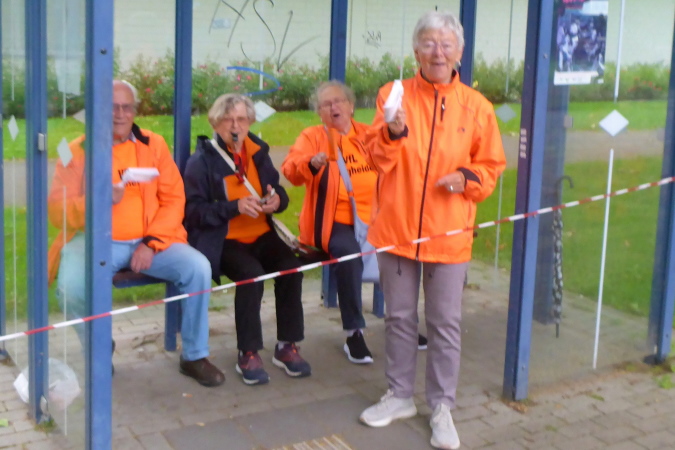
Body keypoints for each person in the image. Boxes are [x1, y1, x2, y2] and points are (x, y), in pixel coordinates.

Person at [358, 11, 506, 450]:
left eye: (446, 44)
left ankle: (441, 407)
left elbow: (491, 166)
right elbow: (375, 158)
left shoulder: (477, 107)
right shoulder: (394, 95)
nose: (437, 52)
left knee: (444, 323)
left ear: (459, 52)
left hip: (449, 234)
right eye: (429, 43)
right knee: (399, 318)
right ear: (416, 50)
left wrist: (467, 178)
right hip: (397, 230)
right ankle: (400, 395)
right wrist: (393, 132)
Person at [47, 80, 225, 387]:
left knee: (198, 268)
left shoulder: (153, 144)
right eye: (112, 107)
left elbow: (174, 199)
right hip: (94, 241)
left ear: (135, 111)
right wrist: (97, 201)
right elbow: (55, 211)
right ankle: (99, 347)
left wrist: (152, 244)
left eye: (126, 107)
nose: (119, 113)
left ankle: (194, 356)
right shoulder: (74, 151)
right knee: (71, 287)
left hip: (152, 240)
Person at [183, 93, 311, 386]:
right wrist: (234, 207)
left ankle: (287, 345)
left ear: (250, 121)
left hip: (262, 234)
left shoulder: (258, 152)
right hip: (225, 239)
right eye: (227, 120)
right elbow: (192, 212)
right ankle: (248, 351)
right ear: (215, 123)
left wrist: (276, 200)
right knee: (251, 275)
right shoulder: (201, 161)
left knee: (291, 269)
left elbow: (278, 191)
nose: (235, 126)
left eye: (241, 119)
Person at [281, 81, 377, 364]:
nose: (334, 107)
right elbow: (290, 170)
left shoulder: (369, 135)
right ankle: (354, 332)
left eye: (339, 101)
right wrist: (311, 163)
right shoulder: (312, 136)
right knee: (348, 256)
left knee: (403, 257)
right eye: (326, 104)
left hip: (377, 217)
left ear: (351, 106)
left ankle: (404, 325)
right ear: (319, 112)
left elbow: (395, 160)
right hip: (333, 220)